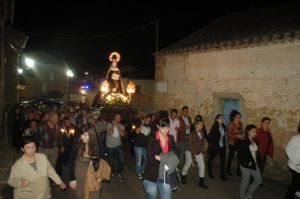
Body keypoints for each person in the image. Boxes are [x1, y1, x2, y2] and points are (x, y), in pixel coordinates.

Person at [69, 124, 108, 199]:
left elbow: (104, 162)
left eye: (85, 135)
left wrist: (99, 176)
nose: (82, 137)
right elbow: (71, 162)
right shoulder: (78, 145)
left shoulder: (98, 147)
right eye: (82, 135)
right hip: (79, 178)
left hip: (92, 179)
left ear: (91, 136)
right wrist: (72, 179)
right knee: (78, 196)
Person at [143, 117, 177, 199]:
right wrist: (166, 159)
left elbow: (174, 155)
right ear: (158, 126)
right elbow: (151, 159)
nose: (166, 130)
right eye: (163, 127)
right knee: (152, 195)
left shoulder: (171, 138)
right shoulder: (151, 139)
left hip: (165, 175)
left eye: (168, 127)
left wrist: (160, 157)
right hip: (151, 174)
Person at [236, 124, 262, 199]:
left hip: (254, 163)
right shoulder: (244, 140)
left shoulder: (255, 139)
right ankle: (242, 197)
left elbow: (256, 152)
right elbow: (240, 153)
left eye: (255, 131)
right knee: (245, 181)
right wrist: (247, 162)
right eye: (253, 131)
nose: (255, 133)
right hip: (245, 164)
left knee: (258, 180)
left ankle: (248, 194)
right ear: (248, 132)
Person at [181, 120, 209, 188]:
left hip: (198, 151)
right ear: (196, 125)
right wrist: (193, 155)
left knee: (202, 165)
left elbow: (202, 143)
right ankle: (183, 176)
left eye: (202, 125)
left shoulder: (202, 133)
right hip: (190, 151)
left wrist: (203, 151)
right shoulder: (192, 134)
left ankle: (201, 182)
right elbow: (190, 145)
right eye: (200, 125)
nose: (201, 126)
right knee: (188, 163)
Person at [207, 114, 228, 180]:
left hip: (222, 147)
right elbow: (210, 137)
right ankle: (209, 172)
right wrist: (212, 145)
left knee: (223, 161)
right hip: (215, 146)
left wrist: (225, 143)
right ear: (217, 120)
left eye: (222, 118)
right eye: (220, 118)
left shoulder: (224, 127)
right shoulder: (214, 127)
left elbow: (224, 136)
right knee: (211, 159)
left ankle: (222, 175)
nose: (222, 119)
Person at [106, 114, 126, 181]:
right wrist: (113, 125)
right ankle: (112, 174)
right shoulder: (109, 124)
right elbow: (110, 133)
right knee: (111, 162)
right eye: (117, 117)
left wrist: (116, 126)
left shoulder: (121, 126)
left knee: (122, 160)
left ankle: (119, 172)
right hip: (110, 146)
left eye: (119, 117)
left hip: (118, 146)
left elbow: (122, 134)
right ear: (114, 118)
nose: (118, 118)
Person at [284, 120, 300, 199]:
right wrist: (296, 161)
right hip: (294, 166)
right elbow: (287, 149)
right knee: (295, 183)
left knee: (295, 183)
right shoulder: (296, 138)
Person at [256, 117, 274, 184]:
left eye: (268, 123)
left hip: (265, 153)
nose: (267, 124)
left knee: (262, 167)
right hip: (259, 152)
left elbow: (270, 142)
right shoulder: (258, 131)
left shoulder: (268, 132)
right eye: (266, 122)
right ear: (262, 123)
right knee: (257, 167)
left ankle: (259, 181)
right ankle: (253, 179)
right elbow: (256, 142)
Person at [134, 115, 152, 179]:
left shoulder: (149, 127)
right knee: (138, 160)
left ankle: (140, 169)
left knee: (147, 159)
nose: (148, 121)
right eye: (147, 119)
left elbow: (149, 137)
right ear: (144, 119)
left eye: (149, 120)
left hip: (145, 146)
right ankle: (138, 172)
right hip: (138, 146)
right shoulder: (139, 124)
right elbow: (137, 131)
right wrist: (142, 123)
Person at [226, 110, 244, 176]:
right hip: (232, 142)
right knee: (231, 156)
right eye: (238, 117)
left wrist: (242, 135)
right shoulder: (231, 124)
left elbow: (241, 131)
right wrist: (236, 136)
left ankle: (238, 171)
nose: (239, 118)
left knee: (240, 156)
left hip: (239, 142)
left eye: (240, 117)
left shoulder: (240, 123)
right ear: (234, 117)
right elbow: (228, 134)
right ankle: (228, 169)